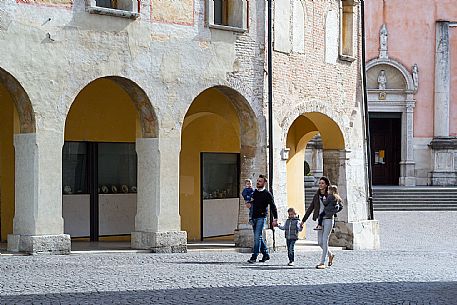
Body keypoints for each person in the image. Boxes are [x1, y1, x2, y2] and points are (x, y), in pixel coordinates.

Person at [300, 176, 335, 269]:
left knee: (325, 240)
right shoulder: (317, 195)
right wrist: (303, 220)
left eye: (322, 183)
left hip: (328, 219)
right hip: (320, 220)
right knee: (320, 242)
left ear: (326, 184)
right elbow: (310, 208)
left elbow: (338, 205)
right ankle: (330, 254)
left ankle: (322, 262)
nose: (320, 184)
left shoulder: (330, 195)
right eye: (320, 183)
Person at [247, 175, 278, 264]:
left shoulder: (267, 194)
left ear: (264, 183)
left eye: (260, 181)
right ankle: (266, 254)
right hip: (253, 217)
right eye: (257, 181)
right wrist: (249, 204)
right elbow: (251, 202)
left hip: (261, 217)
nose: (258, 182)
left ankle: (254, 256)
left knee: (257, 237)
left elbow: (273, 206)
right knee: (259, 237)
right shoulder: (254, 192)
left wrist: (275, 218)